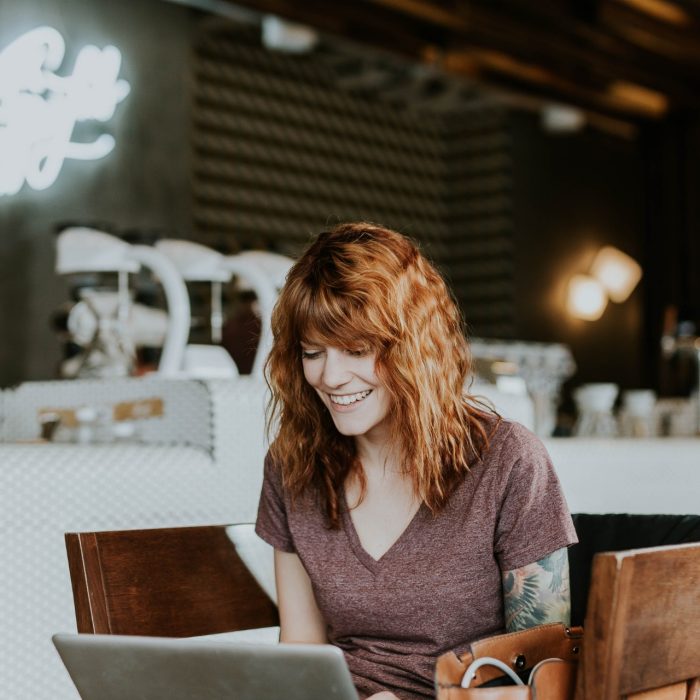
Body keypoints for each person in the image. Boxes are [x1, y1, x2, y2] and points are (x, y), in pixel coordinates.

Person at [255, 222, 577, 700]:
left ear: (413, 348)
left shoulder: (508, 461)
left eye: (357, 350)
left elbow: (549, 679)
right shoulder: (293, 467)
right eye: (312, 352)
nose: (330, 376)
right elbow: (300, 656)